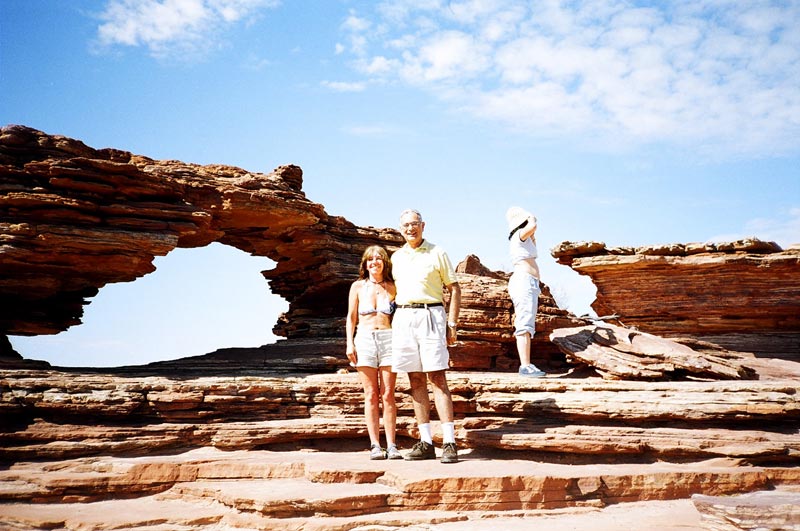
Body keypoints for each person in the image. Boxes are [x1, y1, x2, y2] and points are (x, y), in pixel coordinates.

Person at [391, 209, 461, 464]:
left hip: (431, 314)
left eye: (415, 224)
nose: (411, 228)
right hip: (404, 317)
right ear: (401, 229)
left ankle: (450, 443)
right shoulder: (396, 257)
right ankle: (426, 442)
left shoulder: (437, 252)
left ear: (423, 225)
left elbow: (454, 288)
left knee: (438, 377)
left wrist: (452, 323)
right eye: (406, 225)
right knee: (415, 379)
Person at [345, 245, 402, 460]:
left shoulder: (393, 287)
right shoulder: (358, 286)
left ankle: (393, 445)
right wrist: (350, 344)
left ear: (384, 262)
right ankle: (375, 445)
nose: (374, 262)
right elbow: (351, 317)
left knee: (388, 394)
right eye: (370, 259)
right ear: (365, 264)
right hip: (365, 339)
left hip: (389, 339)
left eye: (378, 258)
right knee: (371, 394)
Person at [505, 206, 547, 377]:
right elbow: (533, 226)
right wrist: (531, 216)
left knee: (528, 323)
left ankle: (527, 364)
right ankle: (525, 365)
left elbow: (533, 234)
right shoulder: (519, 235)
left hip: (529, 282)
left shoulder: (524, 239)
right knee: (524, 323)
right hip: (523, 281)